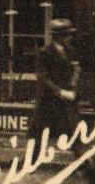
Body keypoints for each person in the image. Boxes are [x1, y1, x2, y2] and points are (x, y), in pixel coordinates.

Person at [28, 18, 81, 155]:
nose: (70, 38)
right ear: (58, 37)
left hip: (64, 102)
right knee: (38, 135)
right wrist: (60, 92)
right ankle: (30, 163)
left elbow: (73, 73)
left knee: (74, 133)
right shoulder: (45, 52)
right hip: (48, 101)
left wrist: (74, 83)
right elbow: (43, 78)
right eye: (67, 35)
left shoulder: (70, 52)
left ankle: (84, 164)